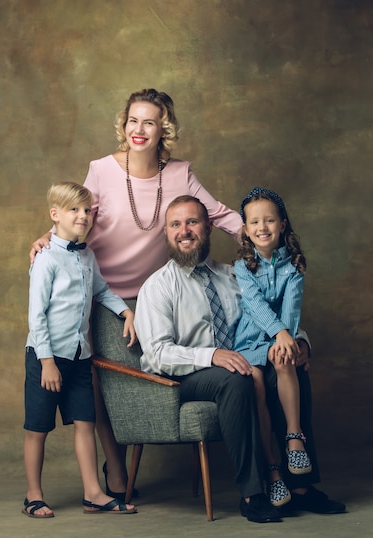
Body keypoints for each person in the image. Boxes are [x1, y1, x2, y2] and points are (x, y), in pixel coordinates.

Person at [30, 88, 243, 500]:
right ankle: (116, 468)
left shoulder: (180, 173)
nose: (139, 130)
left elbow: (216, 213)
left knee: (143, 378)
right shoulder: (101, 169)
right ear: (123, 125)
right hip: (97, 292)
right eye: (133, 121)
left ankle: (125, 462)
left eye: (149, 121)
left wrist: (257, 235)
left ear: (164, 128)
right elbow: (80, 215)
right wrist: (45, 238)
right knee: (101, 383)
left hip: (149, 297)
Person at [134, 195, 346, 521]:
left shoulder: (233, 275)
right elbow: (157, 353)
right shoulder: (159, 286)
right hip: (182, 375)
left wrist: (300, 343)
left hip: (241, 360)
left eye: (192, 222)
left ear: (208, 228)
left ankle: (301, 487)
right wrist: (213, 355)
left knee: (286, 365)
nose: (185, 231)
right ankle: (253, 494)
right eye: (176, 224)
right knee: (238, 379)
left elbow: (267, 319)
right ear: (166, 232)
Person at [23, 182, 137, 518]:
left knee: (86, 422)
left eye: (87, 210)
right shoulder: (46, 259)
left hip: (79, 356)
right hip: (46, 357)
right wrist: (46, 362)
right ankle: (33, 495)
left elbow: (102, 291)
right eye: (74, 210)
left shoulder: (87, 255)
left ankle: (93, 493)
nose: (83, 216)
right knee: (38, 428)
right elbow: (36, 317)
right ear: (55, 215)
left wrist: (126, 311)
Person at [233, 187, 311, 508]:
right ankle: (273, 471)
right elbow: (254, 306)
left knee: (284, 361)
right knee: (255, 386)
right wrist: (280, 333)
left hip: (281, 341)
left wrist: (286, 337)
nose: (262, 228)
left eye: (269, 220)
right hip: (250, 343)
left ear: (282, 224)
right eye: (254, 222)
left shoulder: (294, 266)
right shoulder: (242, 267)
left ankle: (294, 440)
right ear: (246, 230)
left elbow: (292, 308)